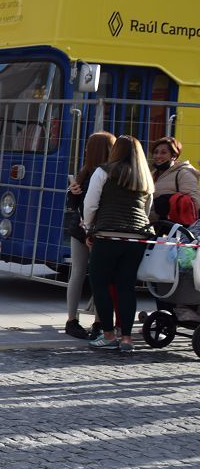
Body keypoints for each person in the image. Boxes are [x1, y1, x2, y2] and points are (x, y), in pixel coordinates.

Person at [83, 134, 155, 353]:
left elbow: (91, 203)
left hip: (108, 235)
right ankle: (127, 339)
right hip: (137, 237)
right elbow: (147, 209)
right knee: (126, 287)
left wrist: (88, 228)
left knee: (100, 284)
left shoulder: (103, 171)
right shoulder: (145, 176)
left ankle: (108, 335)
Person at [64, 132, 116, 340]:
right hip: (98, 230)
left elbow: (72, 206)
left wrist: (73, 193)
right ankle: (98, 322)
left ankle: (71, 320)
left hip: (80, 229)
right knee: (101, 276)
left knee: (77, 274)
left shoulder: (84, 172)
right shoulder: (109, 173)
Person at [150, 136, 200, 221]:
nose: (158, 156)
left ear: (174, 156)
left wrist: (168, 205)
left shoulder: (183, 173)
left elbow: (195, 204)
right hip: (150, 226)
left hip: (172, 229)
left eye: (163, 153)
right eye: (156, 152)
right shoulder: (151, 175)